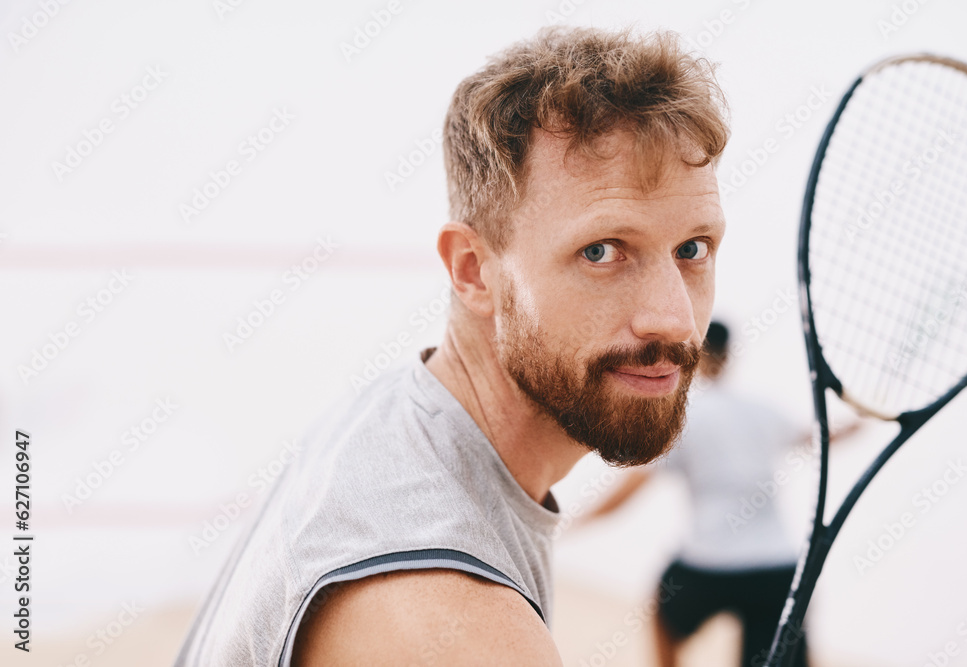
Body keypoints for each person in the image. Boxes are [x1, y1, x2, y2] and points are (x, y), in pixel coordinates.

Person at [174, 25, 730, 666]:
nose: (674, 319)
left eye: (693, 249)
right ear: (472, 269)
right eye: (601, 251)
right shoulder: (457, 621)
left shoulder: (390, 421)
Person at [585, 321, 826, 667]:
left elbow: (632, 487)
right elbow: (817, 438)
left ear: (694, 354)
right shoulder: (762, 410)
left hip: (708, 565)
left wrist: (577, 520)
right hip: (777, 568)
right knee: (782, 655)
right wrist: (857, 423)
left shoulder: (683, 416)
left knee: (663, 614)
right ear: (729, 356)